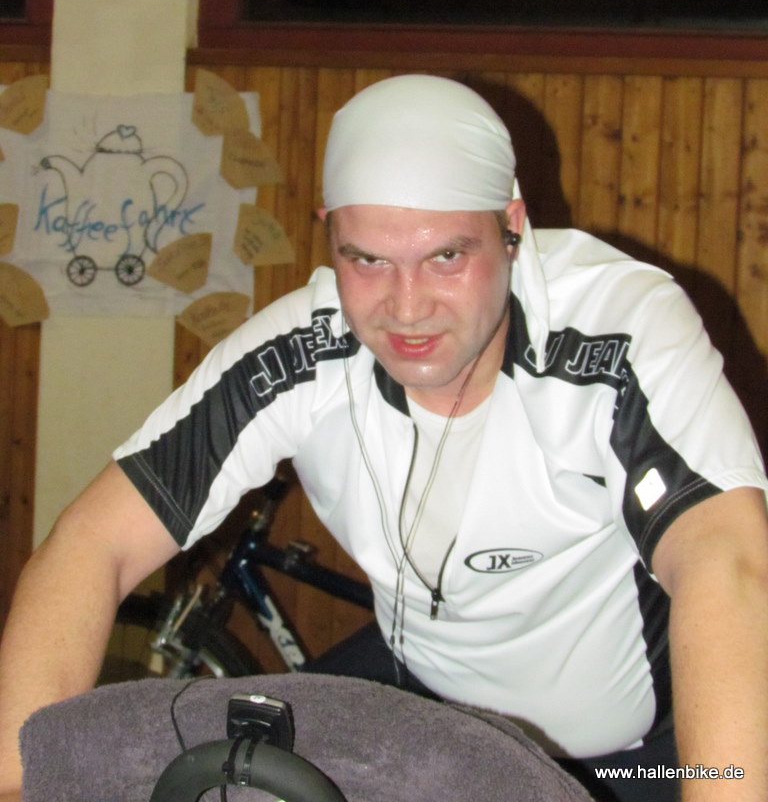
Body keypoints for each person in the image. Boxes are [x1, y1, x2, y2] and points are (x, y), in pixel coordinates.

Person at [1, 74, 767, 802]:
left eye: (446, 257)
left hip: (638, 755)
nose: (406, 308)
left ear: (512, 227)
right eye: (366, 260)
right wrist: (15, 781)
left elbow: (726, 564)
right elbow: (94, 542)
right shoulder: (303, 351)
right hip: (430, 712)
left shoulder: (616, 330)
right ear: (329, 236)